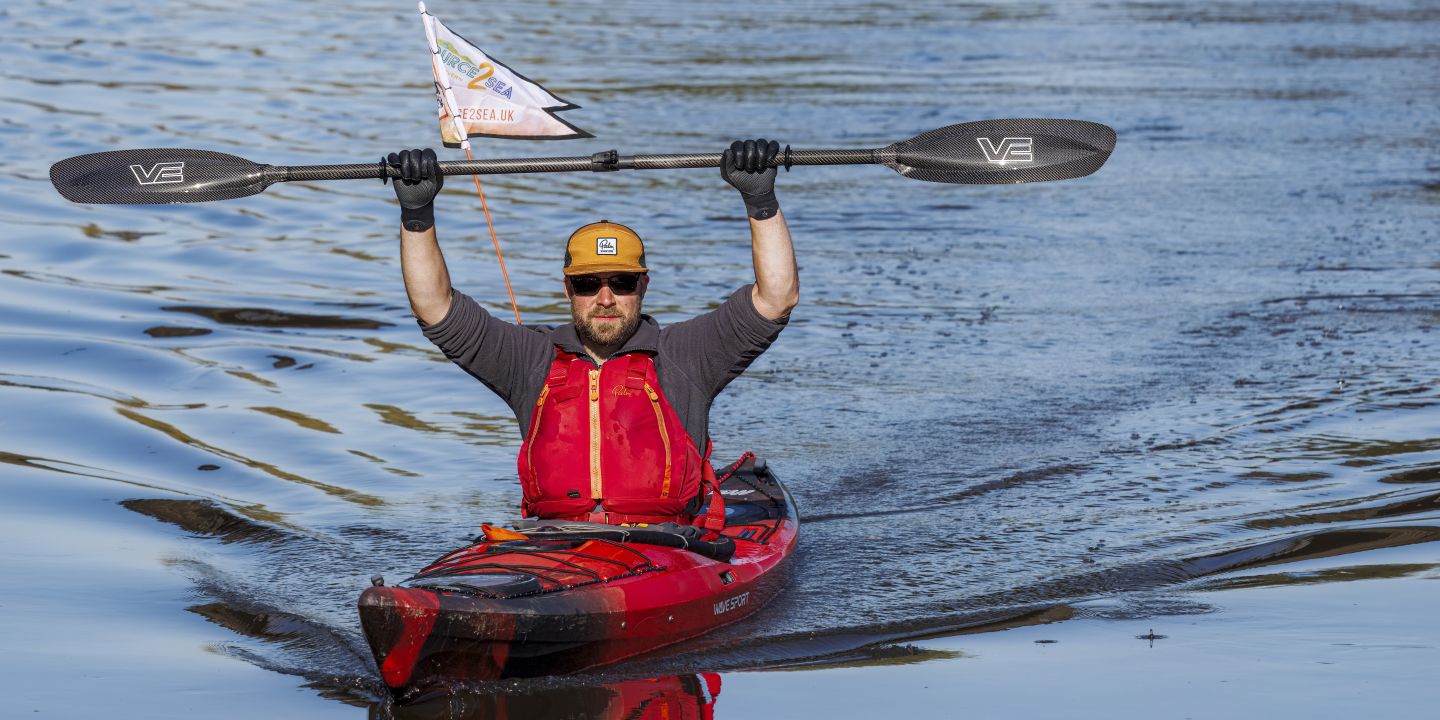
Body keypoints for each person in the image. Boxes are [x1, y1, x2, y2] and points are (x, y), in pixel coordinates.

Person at [388, 139, 797, 529]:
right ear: (568, 290)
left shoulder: (686, 355)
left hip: (670, 543)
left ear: (643, 287)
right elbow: (436, 308)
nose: (605, 298)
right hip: (555, 539)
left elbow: (776, 298)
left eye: (621, 282)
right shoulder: (528, 359)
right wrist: (417, 214)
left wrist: (759, 201)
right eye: (587, 284)